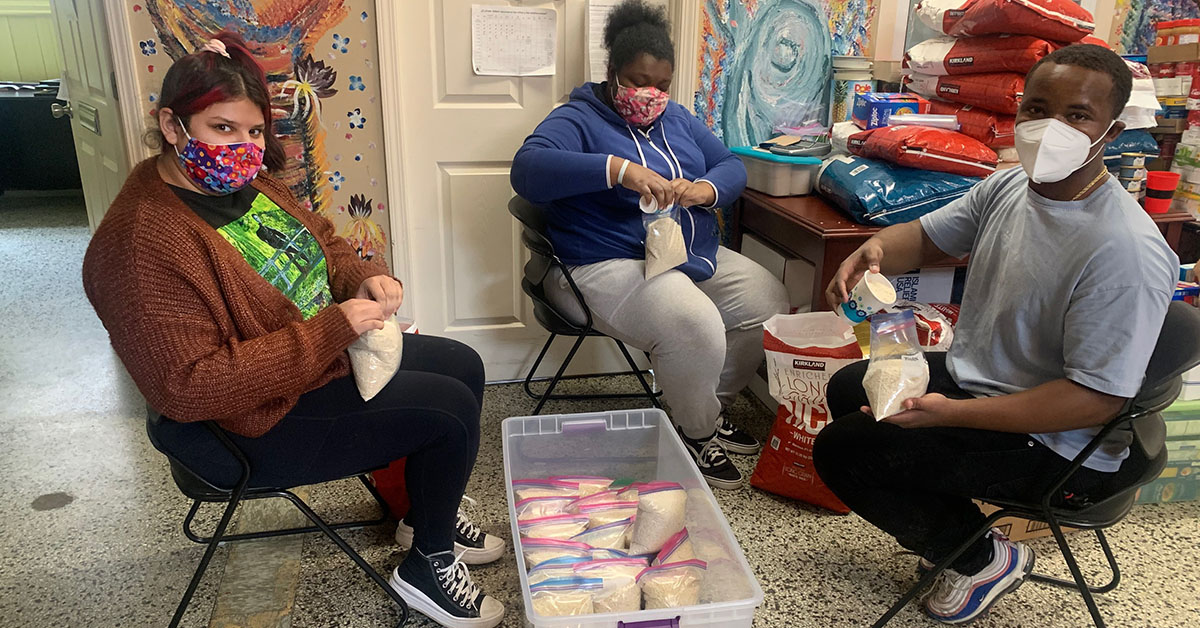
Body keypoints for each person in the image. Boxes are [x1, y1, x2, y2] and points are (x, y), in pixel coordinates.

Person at [81, 33, 504, 628]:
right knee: (449, 410)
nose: (243, 148)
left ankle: (423, 511)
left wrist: (362, 279)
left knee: (464, 364)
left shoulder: (244, 185)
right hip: (245, 424)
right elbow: (190, 387)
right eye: (222, 129)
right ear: (173, 126)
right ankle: (426, 565)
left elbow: (324, 245)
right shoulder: (140, 243)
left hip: (309, 367)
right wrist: (332, 328)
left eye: (253, 132)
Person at [812, 44, 1178, 624]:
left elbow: (1097, 396)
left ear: (1109, 130)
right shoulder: (1011, 188)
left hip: (1061, 440)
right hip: (983, 382)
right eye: (1036, 108)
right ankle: (953, 535)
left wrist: (951, 416)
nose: (1049, 128)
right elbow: (930, 237)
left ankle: (984, 558)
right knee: (854, 389)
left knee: (846, 452)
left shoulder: (1124, 251)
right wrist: (876, 249)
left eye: (1076, 115)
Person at [510, 0, 788, 490]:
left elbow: (730, 165)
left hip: (677, 250)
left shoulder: (677, 119)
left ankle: (700, 406)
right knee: (694, 322)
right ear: (613, 73)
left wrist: (707, 190)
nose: (650, 94)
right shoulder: (577, 117)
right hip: (600, 260)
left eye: (661, 84)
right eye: (638, 82)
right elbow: (527, 170)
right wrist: (618, 170)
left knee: (766, 301)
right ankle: (695, 431)